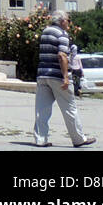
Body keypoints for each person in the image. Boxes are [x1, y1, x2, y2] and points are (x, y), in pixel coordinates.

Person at [34, 10, 95, 147]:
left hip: (43, 75)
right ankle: (78, 139)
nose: (69, 23)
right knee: (69, 108)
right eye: (68, 20)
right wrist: (65, 77)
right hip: (57, 77)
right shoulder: (62, 34)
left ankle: (40, 139)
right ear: (62, 21)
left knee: (42, 110)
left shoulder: (45, 32)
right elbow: (62, 56)